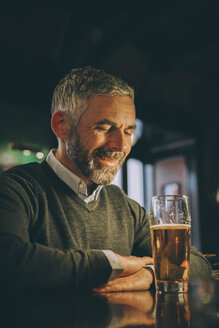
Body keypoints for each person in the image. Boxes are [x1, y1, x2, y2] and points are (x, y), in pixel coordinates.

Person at [0, 67, 211, 294]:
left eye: (128, 131)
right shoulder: (15, 188)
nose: (121, 146)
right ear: (62, 125)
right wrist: (112, 263)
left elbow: (198, 263)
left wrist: (150, 273)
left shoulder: (126, 209)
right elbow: (8, 260)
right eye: (105, 127)